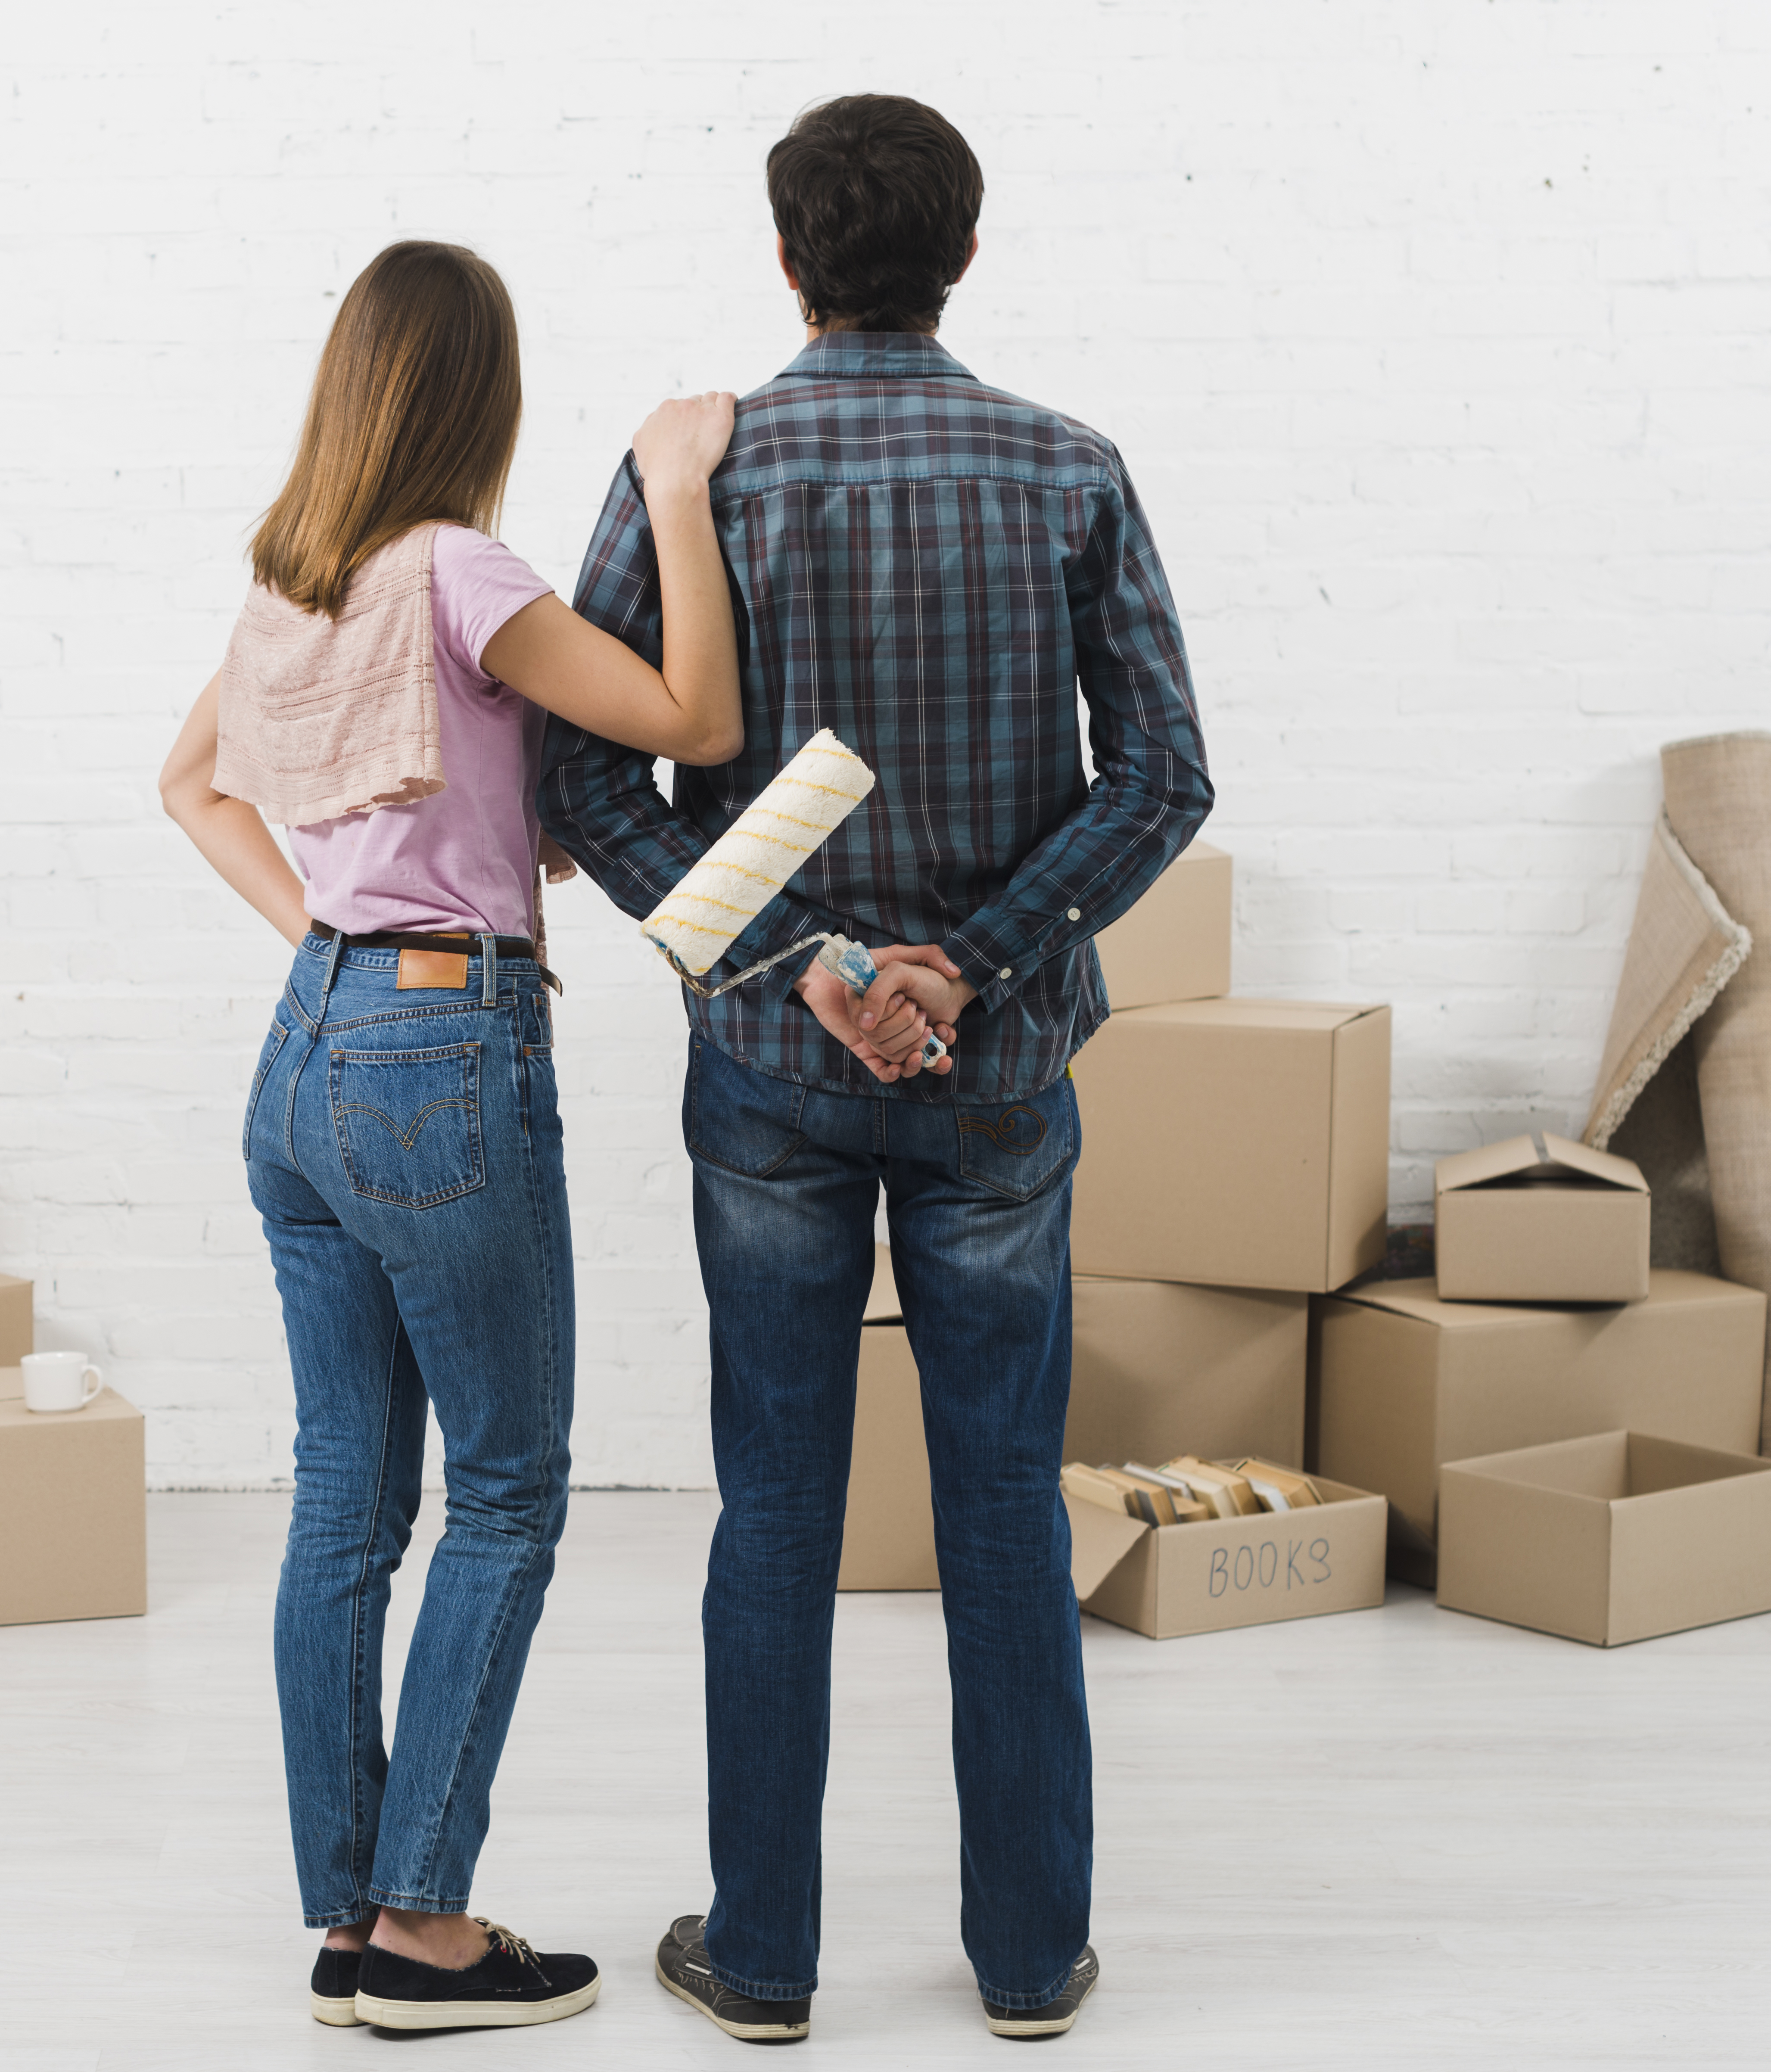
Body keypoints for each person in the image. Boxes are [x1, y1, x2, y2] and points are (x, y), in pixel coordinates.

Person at [539, 95, 1214, 2044]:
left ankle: (761, 1964)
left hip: (767, 1063)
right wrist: (966, 963)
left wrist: (807, 960)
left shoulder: (699, 473)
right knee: (1004, 1505)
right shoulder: (1064, 467)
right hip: (994, 1072)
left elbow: (580, 770)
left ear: (784, 260)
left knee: (774, 1504)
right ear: (963, 256)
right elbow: (1161, 776)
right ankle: (1023, 1965)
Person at [157, 237, 747, 2033]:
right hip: (438, 1055)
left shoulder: (293, 580)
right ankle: (422, 1929)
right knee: (502, 1489)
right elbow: (694, 719)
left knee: (345, 1499)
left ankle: (347, 1917)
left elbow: (192, 785)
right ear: (473, 396)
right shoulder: (459, 570)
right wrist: (674, 488)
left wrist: (355, 930)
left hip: (307, 1050)